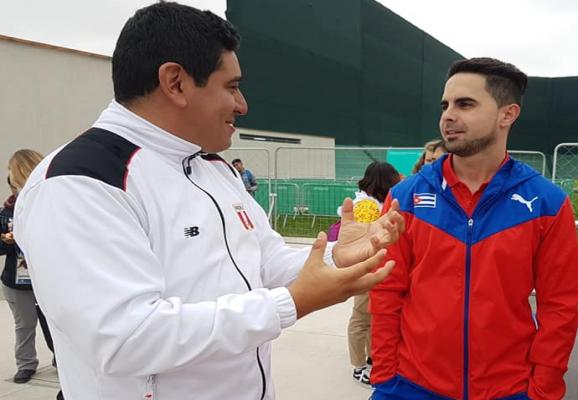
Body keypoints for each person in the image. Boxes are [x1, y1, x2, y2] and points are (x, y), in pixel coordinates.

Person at [12, 3, 403, 399]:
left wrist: (336, 255)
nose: (242, 105)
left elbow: (265, 261)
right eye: (231, 86)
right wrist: (289, 304)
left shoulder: (214, 169)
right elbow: (126, 337)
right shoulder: (80, 181)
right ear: (176, 82)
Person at [370, 57, 578, 400]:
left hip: (509, 389)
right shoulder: (405, 196)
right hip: (411, 385)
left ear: (507, 114)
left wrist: (544, 390)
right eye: (445, 105)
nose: (448, 116)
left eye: (465, 104)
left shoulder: (547, 202)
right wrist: (385, 374)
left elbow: (559, 306)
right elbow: (386, 290)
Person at [0, 150, 56, 385]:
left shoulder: (53, 204)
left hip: (49, 279)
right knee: (24, 326)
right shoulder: (6, 212)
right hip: (17, 280)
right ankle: (26, 364)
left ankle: (62, 360)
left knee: (57, 323)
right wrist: (5, 240)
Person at [344, 161, 402, 387]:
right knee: (361, 317)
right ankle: (358, 366)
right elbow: (369, 240)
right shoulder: (366, 206)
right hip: (366, 268)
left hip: (376, 267)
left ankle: (370, 358)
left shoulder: (374, 202)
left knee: (371, 315)